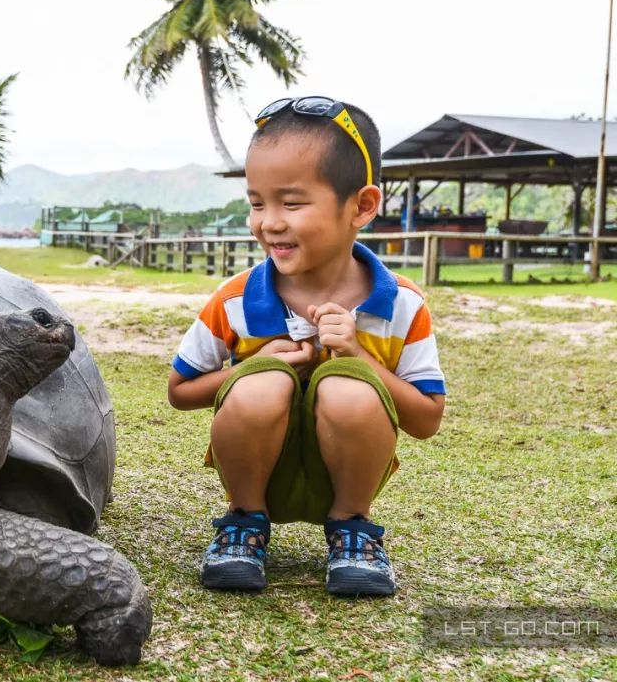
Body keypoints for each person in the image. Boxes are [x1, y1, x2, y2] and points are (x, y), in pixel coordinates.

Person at [167, 97, 446, 596]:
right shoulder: (234, 300)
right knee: (261, 381)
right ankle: (243, 523)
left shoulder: (401, 304)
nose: (269, 222)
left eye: (292, 204)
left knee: (348, 386)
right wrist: (247, 368)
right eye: (257, 203)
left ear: (361, 206)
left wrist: (359, 358)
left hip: (348, 469)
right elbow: (180, 390)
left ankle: (353, 531)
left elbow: (426, 419)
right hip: (254, 467)